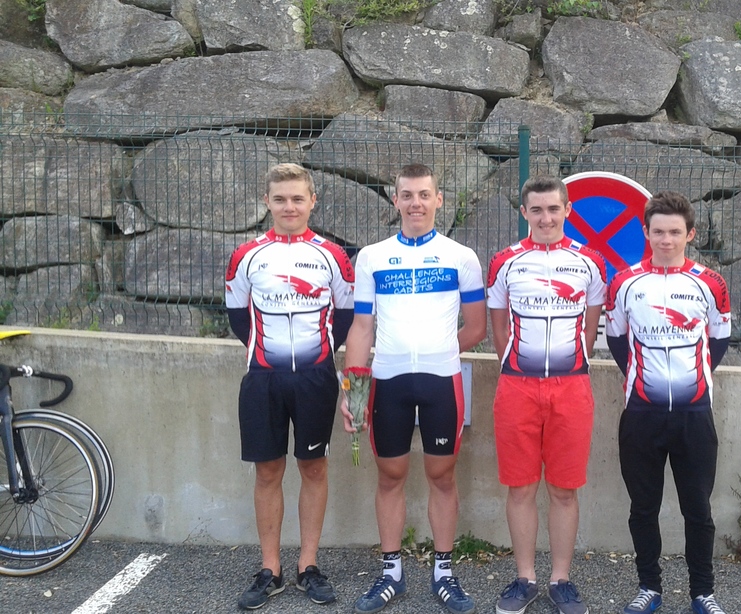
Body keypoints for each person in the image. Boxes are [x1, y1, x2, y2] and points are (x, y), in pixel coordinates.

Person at [342, 163, 487, 614]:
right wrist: (353, 390)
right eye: (407, 195)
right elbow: (361, 327)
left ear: (438, 200)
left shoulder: (461, 257)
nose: (416, 203)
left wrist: (435, 353)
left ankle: (444, 574)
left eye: (425, 195)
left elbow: (477, 327)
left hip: (442, 381)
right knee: (390, 476)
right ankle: (392, 574)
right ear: (396, 200)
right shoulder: (372, 257)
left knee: (442, 476)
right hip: (388, 382)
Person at [225, 162, 355, 609]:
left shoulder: (332, 255)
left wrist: (318, 354)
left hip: (316, 377)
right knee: (267, 471)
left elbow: (345, 316)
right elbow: (238, 317)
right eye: (280, 199)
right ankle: (270, 569)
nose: (289, 207)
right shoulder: (246, 255)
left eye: (298, 198)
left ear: (312, 202)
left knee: (313, 467)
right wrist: (268, 353)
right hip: (263, 376)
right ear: (267, 202)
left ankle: (308, 565)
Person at [604, 191, 732, 614]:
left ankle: (703, 592)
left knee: (698, 509)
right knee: (643, 508)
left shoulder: (711, 283)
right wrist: (644, 380)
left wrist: (690, 381)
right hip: (641, 414)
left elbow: (718, 341)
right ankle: (649, 588)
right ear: (646, 232)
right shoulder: (624, 282)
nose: (666, 240)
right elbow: (617, 340)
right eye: (658, 231)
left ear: (690, 234)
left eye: (675, 232)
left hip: (695, 415)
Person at [485, 176, 606, 614]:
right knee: (520, 487)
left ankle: (561, 580)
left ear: (567, 210)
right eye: (536, 209)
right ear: (524, 213)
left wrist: (565, 368)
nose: (546, 217)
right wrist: (522, 368)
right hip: (517, 386)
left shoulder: (590, 262)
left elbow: (590, 329)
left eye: (554, 208)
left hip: (571, 387)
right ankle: (525, 579)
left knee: (564, 489)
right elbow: (499, 329)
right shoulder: (504, 262)